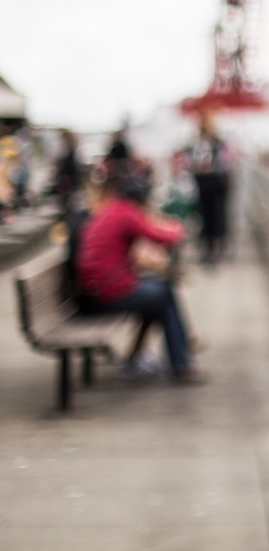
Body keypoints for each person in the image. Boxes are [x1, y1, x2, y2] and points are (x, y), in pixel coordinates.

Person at [75, 167, 202, 382]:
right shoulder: (125, 212)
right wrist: (179, 228)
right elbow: (160, 236)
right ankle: (181, 361)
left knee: (160, 295)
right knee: (164, 294)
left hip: (96, 287)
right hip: (107, 291)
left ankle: (171, 357)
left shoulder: (112, 210)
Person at [188, 115, 231, 265]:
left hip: (213, 184)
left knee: (215, 216)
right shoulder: (198, 145)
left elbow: (224, 164)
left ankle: (215, 245)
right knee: (205, 215)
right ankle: (209, 245)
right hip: (204, 183)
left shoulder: (216, 145)